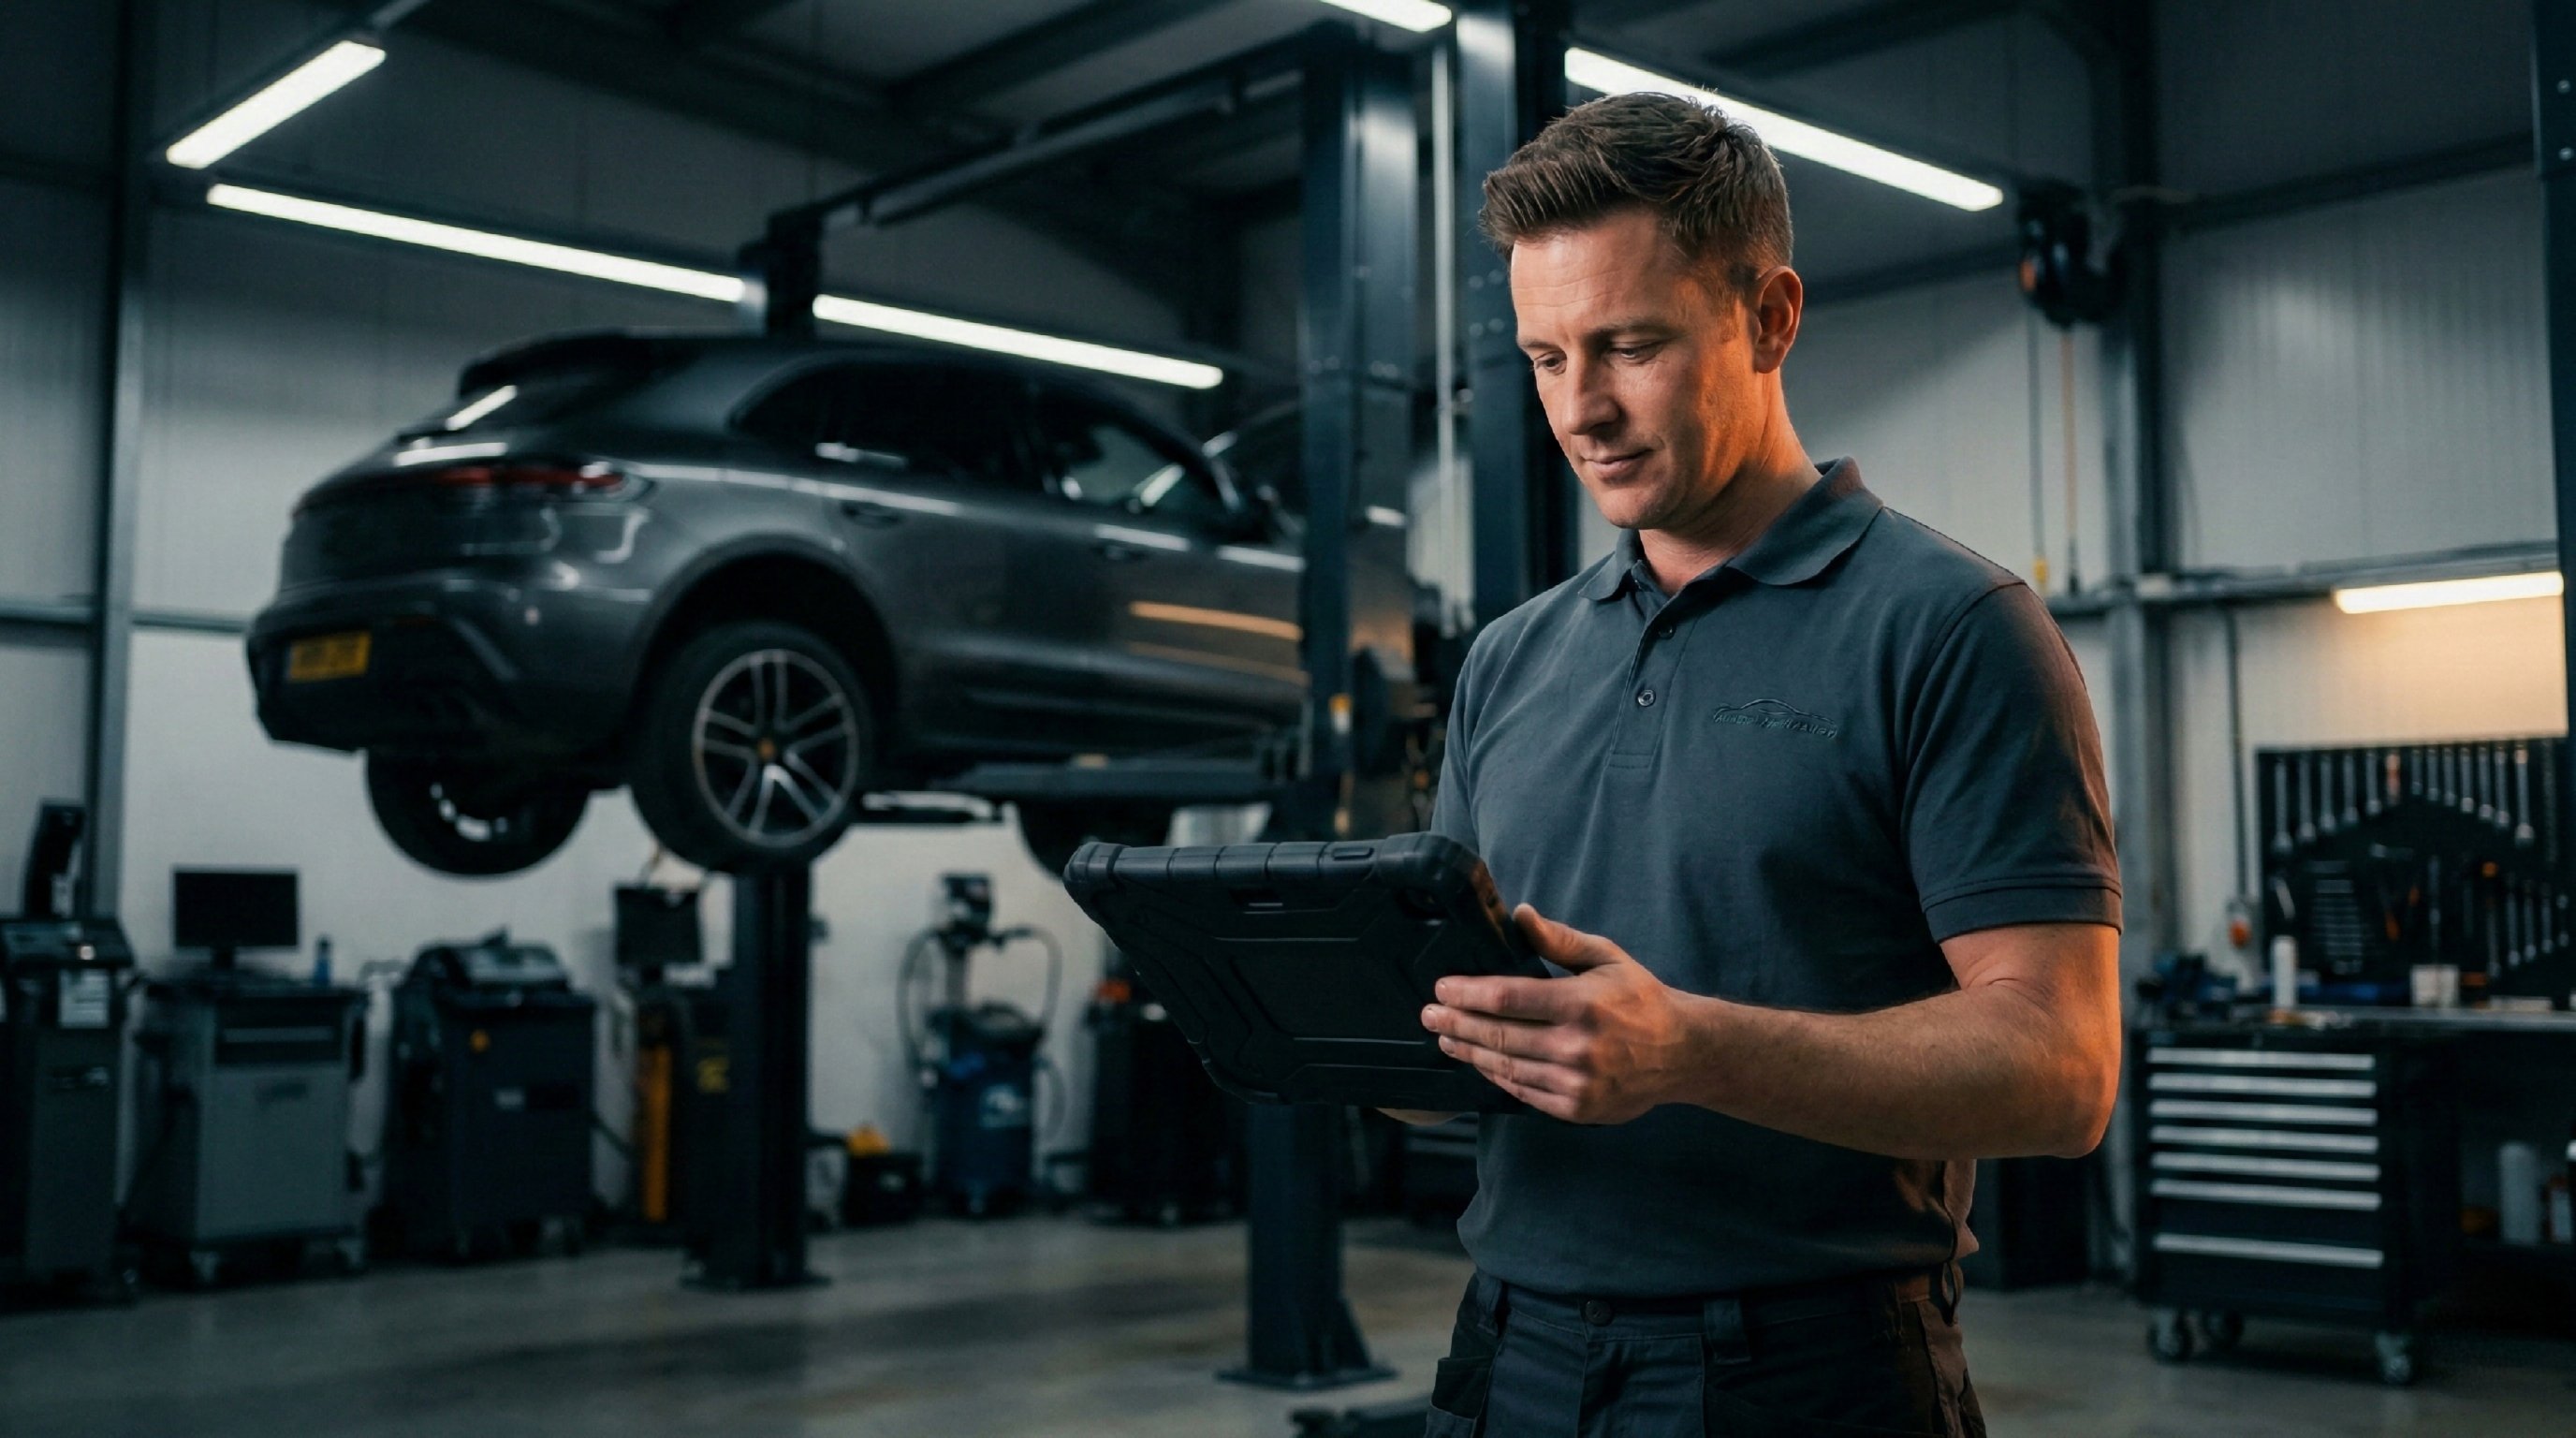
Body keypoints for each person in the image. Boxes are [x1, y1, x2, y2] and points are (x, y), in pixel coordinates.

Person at [1398, 91, 2123, 1438]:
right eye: (1546, 358)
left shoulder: (1952, 629)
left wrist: (1689, 1052)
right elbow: (1471, 1007)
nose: (1584, 409)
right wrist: (1332, 1023)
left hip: (1806, 1374)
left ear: (1772, 316)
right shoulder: (1508, 660)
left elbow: (2062, 1067)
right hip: (1506, 1356)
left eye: (1630, 346)